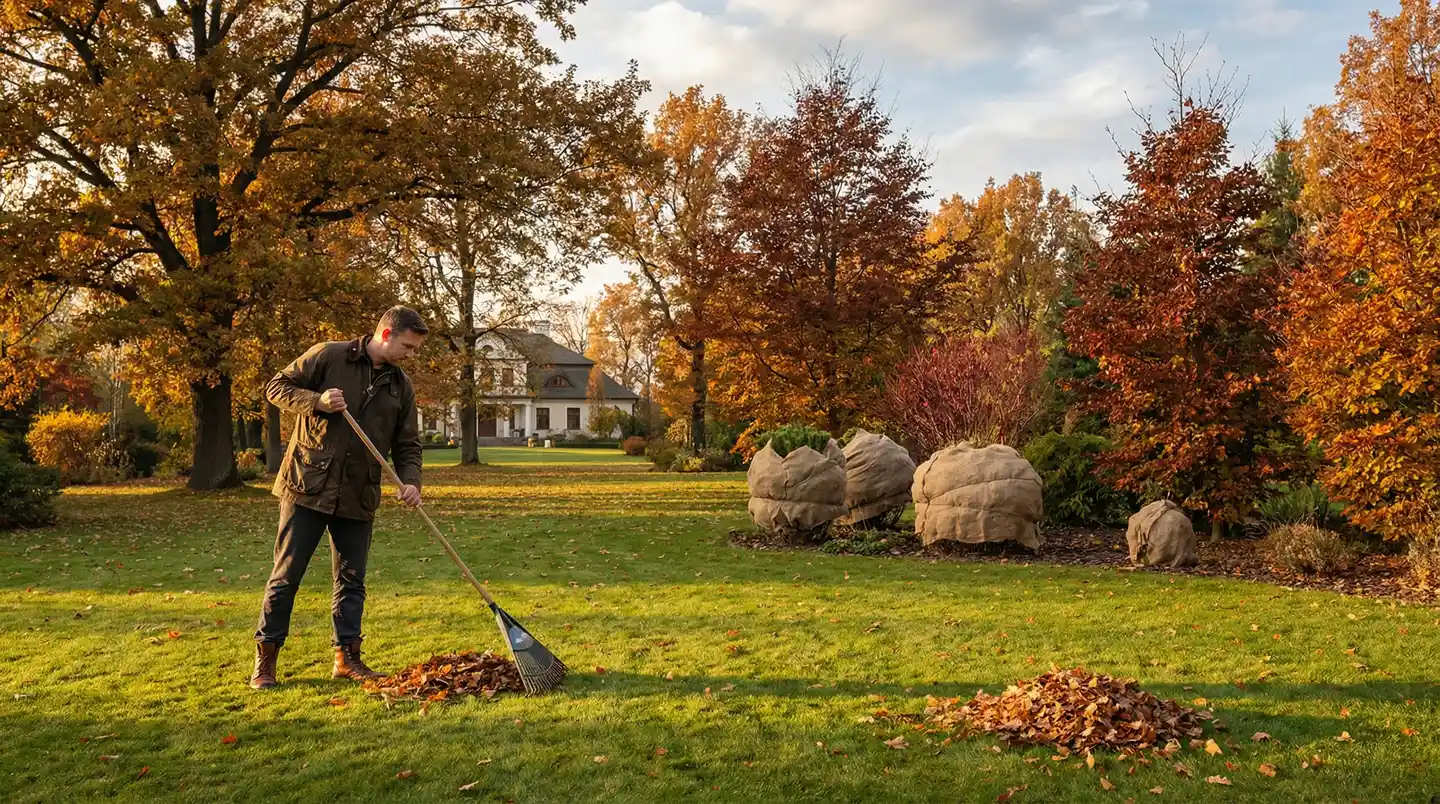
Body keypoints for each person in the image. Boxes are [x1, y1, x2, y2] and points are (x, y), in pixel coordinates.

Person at [249, 306, 427, 689]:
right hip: (306, 486)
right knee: (286, 578)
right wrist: (317, 402)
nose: (410, 356)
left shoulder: (401, 387)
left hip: (358, 494)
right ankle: (265, 662)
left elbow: (408, 445)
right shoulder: (329, 355)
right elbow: (276, 388)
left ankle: (347, 659)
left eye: (414, 349)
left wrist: (411, 482)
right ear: (385, 334)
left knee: (351, 581)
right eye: (407, 347)